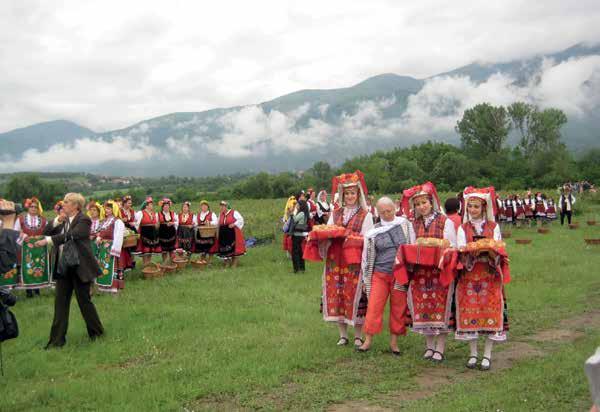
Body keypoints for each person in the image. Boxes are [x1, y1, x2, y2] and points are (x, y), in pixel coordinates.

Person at [35, 193, 104, 349]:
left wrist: (49, 241)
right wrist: (57, 221)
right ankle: (56, 341)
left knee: (84, 303)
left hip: (80, 267)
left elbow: (73, 235)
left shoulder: (83, 220)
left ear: (76, 206)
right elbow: (46, 231)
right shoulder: (63, 220)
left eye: (66, 202)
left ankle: (97, 334)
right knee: (60, 303)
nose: (62, 204)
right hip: (64, 267)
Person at [455, 187, 509, 371]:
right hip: (469, 276)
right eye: (470, 206)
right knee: (469, 313)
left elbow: (499, 248)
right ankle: (472, 353)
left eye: (476, 206)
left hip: (489, 274)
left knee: (490, 312)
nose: (472, 210)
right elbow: (460, 249)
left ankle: (487, 354)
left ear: (484, 207)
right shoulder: (463, 228)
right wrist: (471, 251)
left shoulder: (493, 227)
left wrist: (491, 251)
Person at [403, 182, 457, 363]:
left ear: (431, 202)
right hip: (420, 273)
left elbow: (452, 245)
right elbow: (411, 246)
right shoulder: (413, 224)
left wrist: (437, 247)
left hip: (438, 271)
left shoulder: (445, 221)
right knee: (424, 307)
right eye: (417, 204)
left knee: (440, 307)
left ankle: (440, 348)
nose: (421, 207)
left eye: (424, 203)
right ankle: (429, 346)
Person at [322, 170, 373, 347]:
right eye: (347, 193)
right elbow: (327, 231)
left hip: (354, 262)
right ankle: (343, 334)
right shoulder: (335, 213)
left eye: (353, 193)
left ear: (358, 195)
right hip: (336, 260)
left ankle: (358, 335)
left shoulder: (365, 215)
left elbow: (368, 239)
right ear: (342, 195)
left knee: (355, 296)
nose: (350, 196)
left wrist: (348, 236)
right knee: (338, 294)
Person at [357, 196, 414, 354]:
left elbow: (412, 247)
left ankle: (394, 343)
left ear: (395, 208)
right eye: (382, 212)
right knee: (374, 306)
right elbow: (366, 256)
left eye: (389, 211)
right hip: (379, 274)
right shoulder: (372, 231)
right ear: (378, 212)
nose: (386, 214)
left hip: (400, 274)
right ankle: (367, 340)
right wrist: (364, 278)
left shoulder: (405, 225)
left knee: (398, 307)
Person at [14, 197, 48, 297]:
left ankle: (37, 290)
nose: (33, 208)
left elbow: (47, 232)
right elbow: (15, 231)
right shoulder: (21, 219)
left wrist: (41, 237)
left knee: (38, 266)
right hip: (26, 248)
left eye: (35, 207)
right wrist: (23, 236)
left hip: (39, 247)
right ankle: (28, 291)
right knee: (27, 266)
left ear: (38, 208)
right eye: (31, 206)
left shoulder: (43, 220)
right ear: (28, 207)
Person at [94, 201, 126, 292]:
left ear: (114, 209)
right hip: (103, 248)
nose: (106, 210)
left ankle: (113, 287)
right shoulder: (104, 221)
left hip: (111, 248)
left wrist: (114, 250)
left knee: (111, 267)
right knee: (103, 266)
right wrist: (99, 237)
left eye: (109, 208)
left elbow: (118, 236)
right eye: (106, 208)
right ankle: (104, 287)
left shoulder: (117, 221)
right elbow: (99, 231)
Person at [217, 201, 246, 267]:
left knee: (234, 248)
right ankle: (227, 263)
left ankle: (234, 263)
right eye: (221, 206)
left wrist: (234, 224)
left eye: (223, 206)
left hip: (233, 233)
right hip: (223, 234)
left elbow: (240, 219)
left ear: (227, 206)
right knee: (225, 248)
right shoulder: (220, 214)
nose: (221, 207)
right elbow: (217, 222)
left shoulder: (234, 212)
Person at [134, 197, 161, 267]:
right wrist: (136, 234)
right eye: (151, 204)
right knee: (145, 252)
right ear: (147, 206)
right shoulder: (141, 213)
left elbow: (156, 224)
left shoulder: (154, 214)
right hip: (144, 234)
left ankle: (148, 266)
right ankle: (145, 266)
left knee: (150, 252)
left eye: (152, 204)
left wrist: (157, 226)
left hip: (152, 235)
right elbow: (136, 224)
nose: (152, 206)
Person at [290, 199, 309, 273]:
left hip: (297, 235)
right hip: (300, 235)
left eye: (298, 204)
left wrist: (292, 212)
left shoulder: (301, 213)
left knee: (295, 252)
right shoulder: (304, 213)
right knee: (300, 252)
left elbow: (294, 219)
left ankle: (296, 269)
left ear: (301, 206)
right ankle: (302, 268)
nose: (296, 205)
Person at [158, 198, 178, 264]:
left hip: (171, 233)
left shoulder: (173, 213)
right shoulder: (158, 214)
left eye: (168, 206)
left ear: (169, 206)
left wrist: (173, 223)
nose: (166, 207)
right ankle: (165, 263)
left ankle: (172, 263)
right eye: (165, 206)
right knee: (164, 251)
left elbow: (178, 222)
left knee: (172, 250)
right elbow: (156, 223)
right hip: (162, 233)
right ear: (162, 207)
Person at [119, 195, 136, 271]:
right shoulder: (120, 211)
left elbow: (134, 220)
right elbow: (116, 220)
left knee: (132, 248)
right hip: (123, 229)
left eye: (131, 203)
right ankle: (125, 264)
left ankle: (132, 264)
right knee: (126, 248)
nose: (130, 205)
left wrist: (133, 223)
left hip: (131, 230)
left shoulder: (132, 211)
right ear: (124, 203)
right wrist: (122, 220)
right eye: (129, 203)